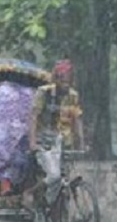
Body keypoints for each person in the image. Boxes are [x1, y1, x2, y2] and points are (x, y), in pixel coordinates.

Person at [28, 59, 84, 206]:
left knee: (64, 178)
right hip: (44, 140)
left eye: (68, 79)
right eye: (62, 79)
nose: (66, 83)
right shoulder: (44, 93)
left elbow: (76, 119)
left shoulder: (73, 96)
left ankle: (58, 214)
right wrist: (32, 142)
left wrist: (81, 142)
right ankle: (33, 194)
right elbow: (34, 117)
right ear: (56, 79)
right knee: (54, 176)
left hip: (62, 141)